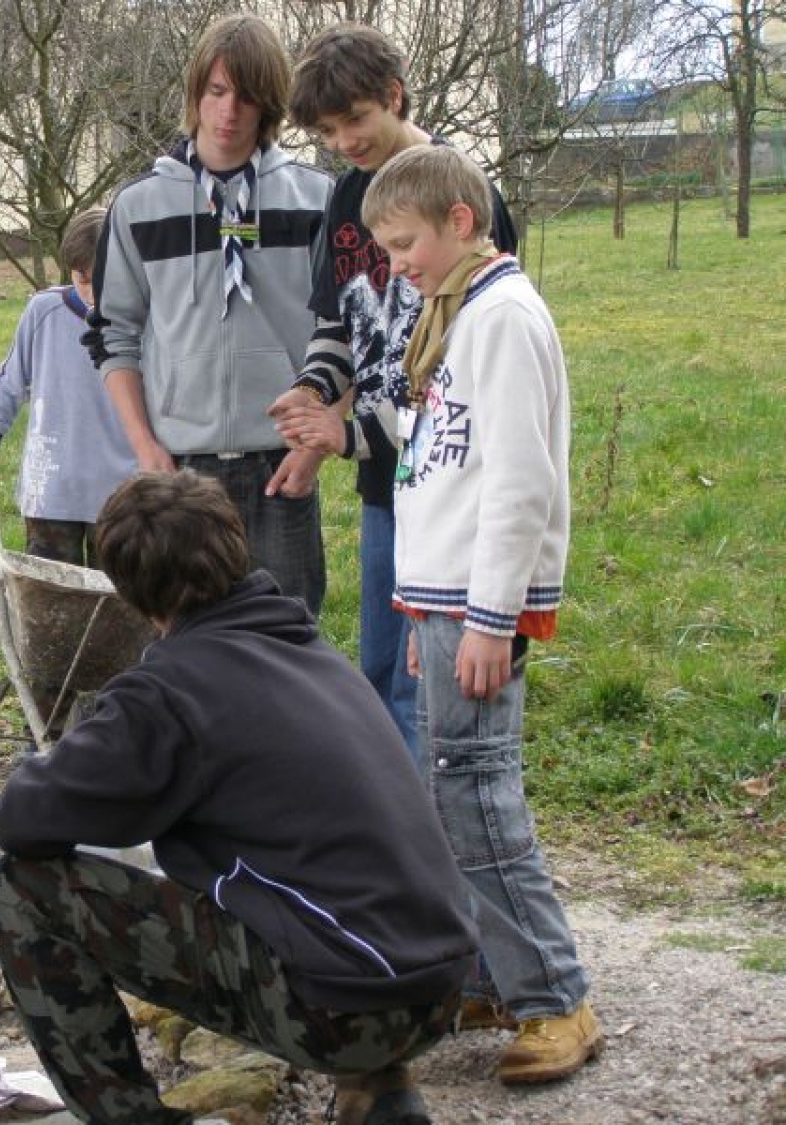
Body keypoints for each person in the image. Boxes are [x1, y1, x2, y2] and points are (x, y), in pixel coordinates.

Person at [0, 469, 479, 1125]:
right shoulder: (310, 649)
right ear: (236, 544)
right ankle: (380, 1093)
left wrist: (46, 762)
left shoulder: (167, 692)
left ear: (130, 593)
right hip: (440, 985)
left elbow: (21, 822)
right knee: (310, 885)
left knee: (20, 890)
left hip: (341, 1009)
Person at [362, 143, 603, 1084]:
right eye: (385, 250)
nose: (397, 265)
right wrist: (427, 611)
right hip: (446, 602)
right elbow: (435, 471)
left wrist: (491, 618)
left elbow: (516, 480)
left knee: (477, 798)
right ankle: (494, 975)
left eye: (405, 243)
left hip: (481, 606)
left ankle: (557, 998)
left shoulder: (501, 317)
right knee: (444, 798)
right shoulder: (455, 314)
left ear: (462, 223)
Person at [265, 23, 519, 751]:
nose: (344, 141)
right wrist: (315, 389)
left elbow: (460, 371)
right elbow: (336, 322)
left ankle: (432, 834)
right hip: (387, 484)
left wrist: (347, 433)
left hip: (449, 476)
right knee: (383, 664)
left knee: (429, 677)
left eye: (356, 120)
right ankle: (401, 827)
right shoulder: (345, 199)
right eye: (327, 130)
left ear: (395, 97)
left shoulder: (462, 196)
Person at [85, 14, 332, 615]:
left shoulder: (317, 200)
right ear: (195, 93)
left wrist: (313, 449)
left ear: (269, 104)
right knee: (184, 643)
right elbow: (114, 334)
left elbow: (344, 331)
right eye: (216, 92)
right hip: (181, 474)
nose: (229, 113)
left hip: (282, 466)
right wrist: (145, 445)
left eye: (247, 97)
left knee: (286, 640)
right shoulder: (140, 207)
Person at [0, 205, 135, 568]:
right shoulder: (43, 312)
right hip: (52, 489)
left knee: (121, 601)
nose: (92, 291)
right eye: (82, 278)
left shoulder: (145, 319)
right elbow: (10, 382)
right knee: (54, 599)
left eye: (103, 278)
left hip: (125, 494)